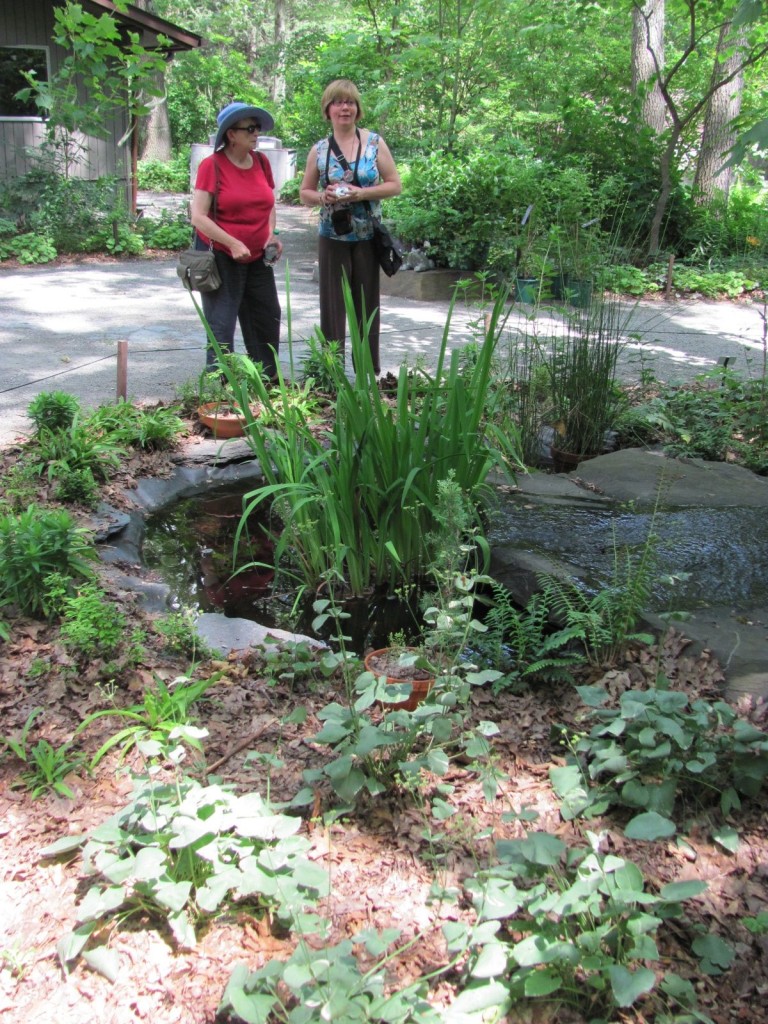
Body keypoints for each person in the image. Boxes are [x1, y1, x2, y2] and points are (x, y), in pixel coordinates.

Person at [299, 79, 402, 376]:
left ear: (358, 109)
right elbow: (304, 193)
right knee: (332, 307)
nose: (345, 108)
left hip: (368, 237)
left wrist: (362, 194)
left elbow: (395, 185)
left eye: (351, 102)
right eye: (338, 102)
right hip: (332, 236)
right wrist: (323, 196)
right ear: (327, 110)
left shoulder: (373, 142)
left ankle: (367, 374)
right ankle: (330, 373)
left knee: (366, 306)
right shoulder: (319, 150)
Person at [190, 102, 283, 375]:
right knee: (221, 326)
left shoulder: (262, 162)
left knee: (267, 318)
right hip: (221, 256)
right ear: (231, 134)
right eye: (251, 129)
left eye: (258, 129)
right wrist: (232, 243)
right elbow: (198, 217)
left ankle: (266, 383)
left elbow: (269, 204)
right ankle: (220, 396)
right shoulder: (212, 166)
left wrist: (271, 235)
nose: (257, 134)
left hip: (257, 258)